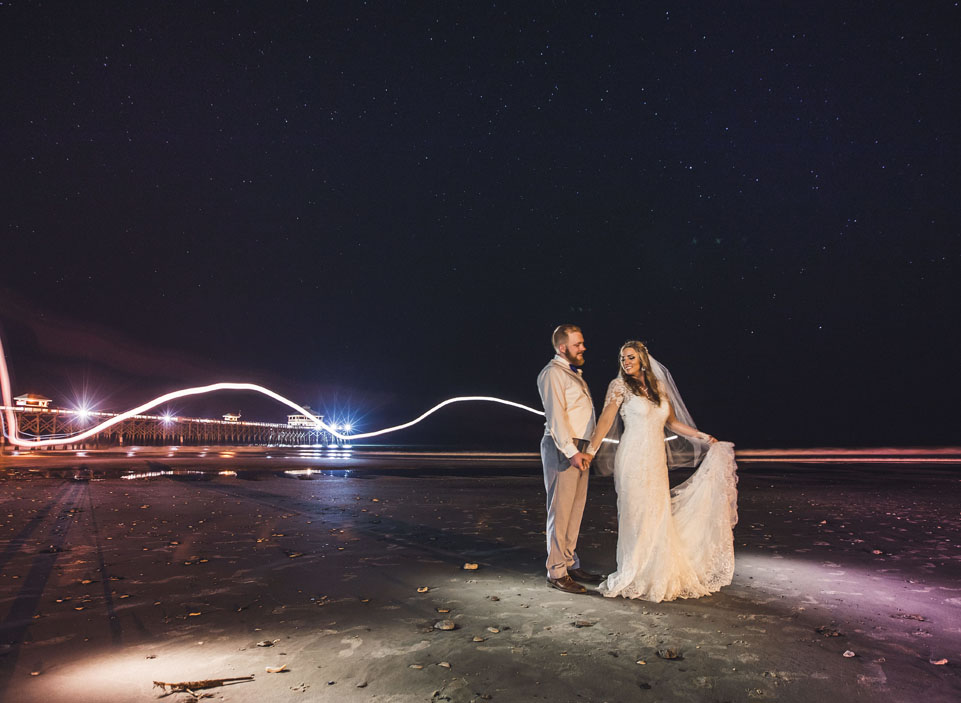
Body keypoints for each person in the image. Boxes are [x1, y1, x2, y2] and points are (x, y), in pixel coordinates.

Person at [584, 340, 738, 602]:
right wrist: (590, 450)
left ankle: (655, 571)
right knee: (635, 514)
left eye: (630, 357)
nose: (626, 362)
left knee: (656, 513)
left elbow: (674, 423)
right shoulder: (619, 386)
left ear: (643, 359)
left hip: (655, 460)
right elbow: (606, 420)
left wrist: (703, 437)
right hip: (632, 458)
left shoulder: (659, 387)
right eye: (622, 358)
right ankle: (634, 571)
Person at [536, 325, 605, 594]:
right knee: (560, 509)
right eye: (578, 344)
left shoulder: (574, 375)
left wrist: (588, 449)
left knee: (575, 509)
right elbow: (556, 418)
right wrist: (572, 451)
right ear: (562, 347)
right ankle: (556, 571)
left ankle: (569, 562)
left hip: (581, 447)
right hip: (563, 447)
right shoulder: (552, 374)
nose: (583, 348)